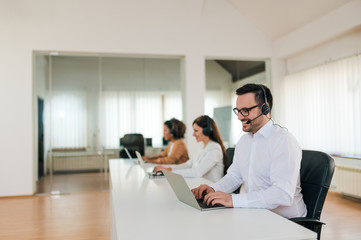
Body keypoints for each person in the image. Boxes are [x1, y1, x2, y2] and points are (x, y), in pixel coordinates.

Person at [192, 84, 307, 219]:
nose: (240, 117)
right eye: (238, 111)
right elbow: (234, 176)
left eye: (245, 110)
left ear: (265, 108)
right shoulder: (244, 142)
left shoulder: (283, 141)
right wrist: (213, 189)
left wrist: (233, 200)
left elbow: (282, 194)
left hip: (287, 221)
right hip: (257, 213)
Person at [153, 115, 227, 182]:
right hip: (199, 184)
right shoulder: (202, 146)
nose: (193, 134)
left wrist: (169, 172)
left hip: (211, 188)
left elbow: (197, 172)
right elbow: (188, 165)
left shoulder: (215, 148)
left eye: (196, 131)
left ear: (206, 131)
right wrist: (168, 169)